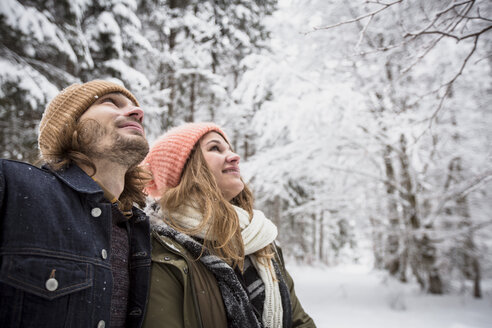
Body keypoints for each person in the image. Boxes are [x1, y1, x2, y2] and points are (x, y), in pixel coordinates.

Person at [0, 80, 152, 328]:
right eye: (110, 102)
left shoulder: (140, 232)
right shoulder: (10, 184)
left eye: (136, 108)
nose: (138, 112)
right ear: (68, 124)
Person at [142, 122, 316, 328]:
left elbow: (299, 322)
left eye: (230, 149)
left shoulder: (260, 239)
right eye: (215, 148)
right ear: (184, 169)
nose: (235, 156)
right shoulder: (163, 247)